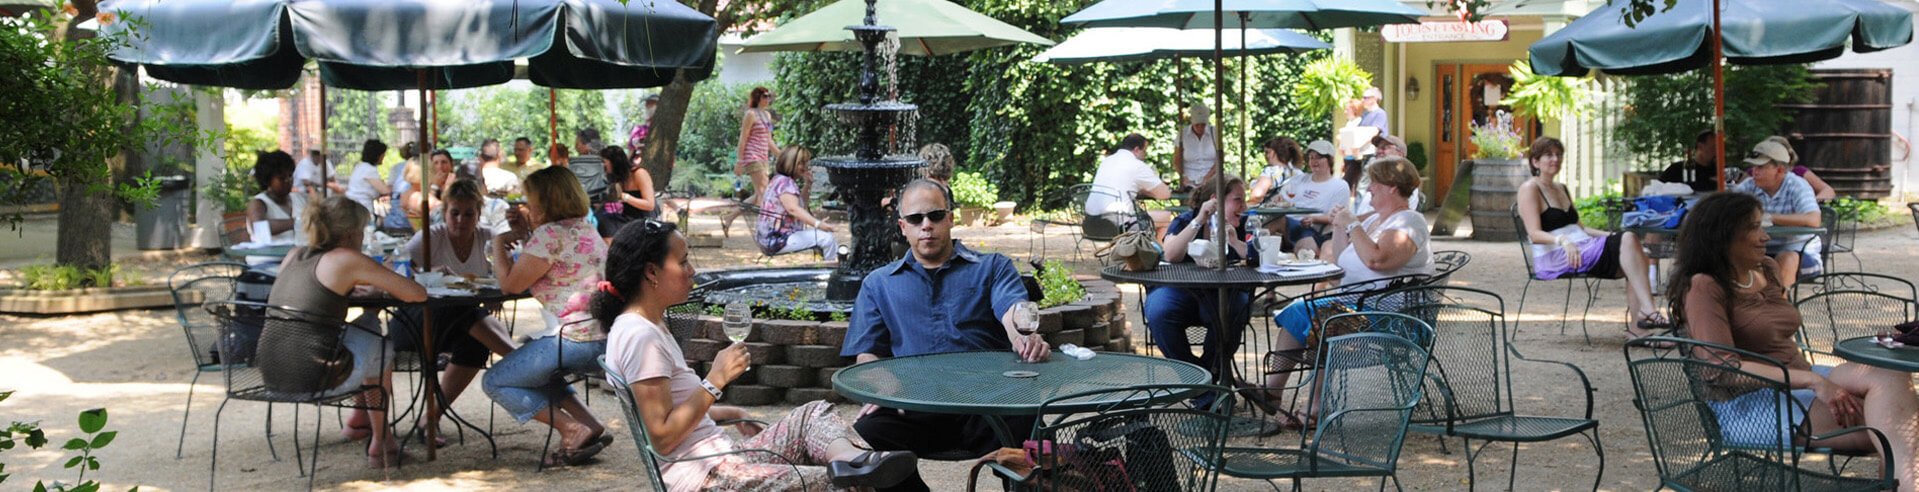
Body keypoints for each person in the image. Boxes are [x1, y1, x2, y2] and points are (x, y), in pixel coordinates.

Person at [601, 220, 917, 492]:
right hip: (705, 478)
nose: (692, 270)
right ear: (651, 272)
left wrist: (731, 411)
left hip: (719, 459)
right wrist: (715, 380)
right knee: (841, 486)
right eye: (683, 262)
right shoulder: (640, 337)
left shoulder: (648, 326)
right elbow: (661, 437)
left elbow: (675, 411)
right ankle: (855, 473)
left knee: (812, 415)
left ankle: (854, 461)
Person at [1668, 191, 1919, 491]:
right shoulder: (1704, 285)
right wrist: (1813, 381)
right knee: (1901, 424)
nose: (1766, 236)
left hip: (1801, 382)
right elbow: (1720, 369)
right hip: (1753, 404)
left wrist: (1813, 380)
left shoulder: (1767, 269)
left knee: (1891, 378)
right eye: (1754, 228)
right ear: (1722, 237)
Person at [841, 179, 1048, 492]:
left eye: (935, 216)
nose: (926, 225)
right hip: (914, 406)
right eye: (915, 219)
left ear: (950, 218)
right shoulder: (878, 284)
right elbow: (868, 354)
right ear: (903, 227)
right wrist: (884, 386)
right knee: (862, 439)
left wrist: (1022, 337)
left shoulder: (992, 267)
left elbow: (1012, 311)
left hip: (988, 402)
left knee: (1030, 430)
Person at [261, 196, 425, 467]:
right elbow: (416, 294)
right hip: (314, 377)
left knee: (369, 336)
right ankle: (381, 443)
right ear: (351, 233)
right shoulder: (346, 258)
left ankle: (372, 431)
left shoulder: (294, 255)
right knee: (378, 339)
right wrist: (378, 284)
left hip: (272, 373)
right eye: (362, 231)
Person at [1265, 157, 1433, 421]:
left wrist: (1353, 224)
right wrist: (1339, 226)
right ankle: (1272, 392)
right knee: (1297, 310)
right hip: (1356, 307)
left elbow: (1377, 260)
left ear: (1392, 186)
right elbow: (1342, 260)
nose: (1369, 189)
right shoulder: (1376, 219)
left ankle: (1316, 408)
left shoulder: (1409, 222)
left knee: (1324, 320)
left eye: (1374, 183)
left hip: (1390, 318)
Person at [481, 166, 612, 467]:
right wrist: (526, 234)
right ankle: (589, 423)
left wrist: (499, 241)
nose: (528, 205)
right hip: (600, 336)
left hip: (575, 339)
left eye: (531, 199)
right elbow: (551, 263)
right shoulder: (583, 227)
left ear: (545, 201)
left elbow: (510, 284)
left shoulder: (550, 234)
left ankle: (572, 429)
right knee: (530, 369)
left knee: (495, 381)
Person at [388, 179, 518, 441]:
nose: (461, 220)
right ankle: (518, 360)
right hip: (415, 322)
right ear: (444, 212)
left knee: (475, 345)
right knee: (461, 307)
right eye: (455, 213)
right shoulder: (431, 237)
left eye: (468, 214)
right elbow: (391, 266)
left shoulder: (488, 237)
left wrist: (498, 290)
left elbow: (503, 279)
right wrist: (426, 274)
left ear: (478, 214)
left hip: (460, 323)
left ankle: (431, 417)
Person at [1516, 137, 1667, 337]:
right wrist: (1564, 241)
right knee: (1631, 246)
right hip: (1556, 256)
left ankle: (1639, 331)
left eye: (1559, 155)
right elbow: (1534, 234)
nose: (1556, 159)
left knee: (1633, 252)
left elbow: (1581, 228)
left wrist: (1616, 237)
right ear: (1535, 161)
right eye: (1549, 155)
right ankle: (1648, 313)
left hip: (1583, 247)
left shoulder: (1561, 188)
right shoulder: (1530, 188)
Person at [1147, 173, 1256, 382]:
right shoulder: (1186, 220)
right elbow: (1170, 255)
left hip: (1225, 293)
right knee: (1159, 310)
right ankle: (1198, 381)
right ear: (1215, 200)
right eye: (1238, 200)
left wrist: (1234, 242)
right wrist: (1199, 220)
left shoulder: (1245, 224)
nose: (1244, 206)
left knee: (1234, 310)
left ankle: (1208, 378)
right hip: (1180, 291)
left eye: (1244, 200)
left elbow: (1258, 258)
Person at [1732, 138, 1823, 285]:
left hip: (1800, 250)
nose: (1754, 172)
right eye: (1754, 167)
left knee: (1787, 258)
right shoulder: (1750, 185)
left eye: (1760, 167)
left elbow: (1814, 219)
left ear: (1780, 170)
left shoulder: (1797, 185)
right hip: (1761, 248)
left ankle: (1779, 299)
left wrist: (1769, 218)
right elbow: (1724, 209)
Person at [756, 146, 839, 261]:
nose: (806, 166)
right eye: (802, 163)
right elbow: (793, 209)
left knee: (825, 238)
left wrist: (808, 184)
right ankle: (831, 269)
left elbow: (801, 206)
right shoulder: (785, 183)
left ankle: (832, 264)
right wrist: (818, 224)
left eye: (806, 162)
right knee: (826, 239)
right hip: (777, 240)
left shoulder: (779, 179)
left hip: (772, 238)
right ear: (791, 162)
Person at [1086, 133, 1173, 236]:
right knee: (1165, 216)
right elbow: (1165, 194)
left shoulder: (1106, 161)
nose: (1145, 155)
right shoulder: (1137, 165)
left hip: (1089, 224)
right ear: (1136, 149)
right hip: (1116, 225)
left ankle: (1143, 245)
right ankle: (1159, 247)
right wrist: (1147, 192)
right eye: (1144, 151)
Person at [1273, 140, 1351, 255]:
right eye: (1311, 157)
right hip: (1289, 224)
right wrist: (1279, 199)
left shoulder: (1339, 185)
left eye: (1318, 157)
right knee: (1271, 220)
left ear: (1330, 159)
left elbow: (1338, 216)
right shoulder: (1299, 180)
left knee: (1304, 245)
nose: (1314, 161)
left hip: (1314, 230)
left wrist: (1314, 219)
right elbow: (1283, 200)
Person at [724, 87, 779, 235]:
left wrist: (781, 154)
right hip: (752, 156)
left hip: (763, 157)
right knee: (763, 192)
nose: (768, 99)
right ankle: (764, 229)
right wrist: (739, 162)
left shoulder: (767, 115)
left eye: (769, 96)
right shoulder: (751, 114)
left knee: (758, 195)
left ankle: (729, 217)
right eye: (765, 96)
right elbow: (743, 138)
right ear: (757, 97)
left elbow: (769, 140)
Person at [246, 150, 308, 245]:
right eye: (282, 178)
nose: (288, 180)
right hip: (270, 254)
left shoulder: (298, 199)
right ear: (267, 180)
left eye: (290, 176)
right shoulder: (258, 203)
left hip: (300, 252)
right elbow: (259, 228)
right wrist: (298, 222)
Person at [1173, 101, 1221, 190]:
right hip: (1189, 181)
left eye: (1203, 125)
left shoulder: (1214, 133)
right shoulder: (1183, 134)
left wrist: (1208, 178)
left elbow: (1220, 159)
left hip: (1211, 181)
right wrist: (1183, 176)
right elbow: (1176, 160)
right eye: (1197, 125)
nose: (1200, 128)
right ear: (1191, 121)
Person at [606, 145, 657, 225]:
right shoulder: (616, 177)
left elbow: (650, 205)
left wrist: (626, 197)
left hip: (643, 222)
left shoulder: (639, 173)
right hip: (626, 220)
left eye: (604, 162)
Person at [343, 139, 391, 217]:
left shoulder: (360, 166)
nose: (384, 157)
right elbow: (384, 190)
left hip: (353, 206)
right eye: (383, 154)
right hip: (361, 208)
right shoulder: (369, 170)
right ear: (378, 155)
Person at [1249, 137, 1303, 206]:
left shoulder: (1270, 172)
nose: (1266, 156)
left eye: (1267, 152)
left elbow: (1257, 195)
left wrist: (1250, 203)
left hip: (1272, 211)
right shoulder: (1299, 173)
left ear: (1275, 153)